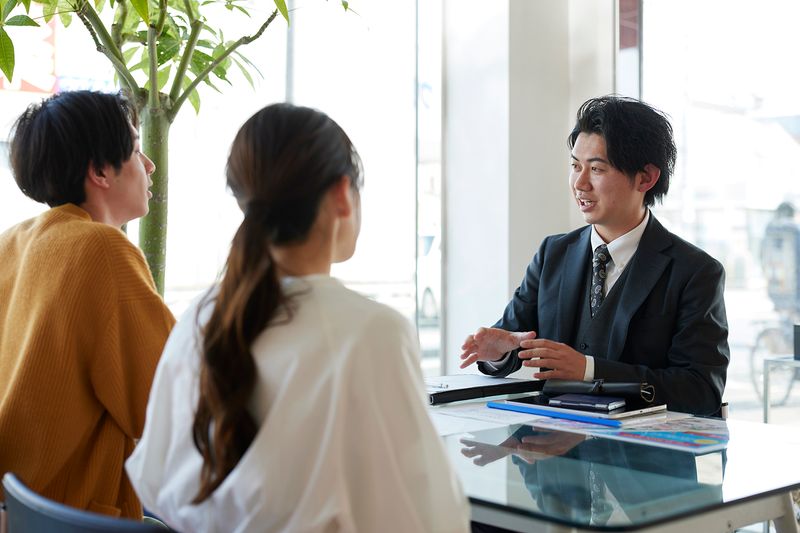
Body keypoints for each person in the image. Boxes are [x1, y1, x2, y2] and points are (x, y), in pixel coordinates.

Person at [125, 103, 470, 533]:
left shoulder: (201, 315)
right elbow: (428, 521)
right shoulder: (370, 332)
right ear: (342, 194)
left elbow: (156, 481)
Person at [460, 96, 729, 416]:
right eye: (575, 166)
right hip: (554, 455)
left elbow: (700, 389)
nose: (579, 183)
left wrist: (589, 369)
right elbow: (516, 339)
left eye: (597, 169)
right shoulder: (552, 254)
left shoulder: (695, 272)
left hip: (644, 458)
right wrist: (499, 353)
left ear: (646, 178)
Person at [0, 91, 176, 519]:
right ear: (99, 171)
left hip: (25, 510)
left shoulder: (13, 241)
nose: (149, 165)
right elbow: (171, 406)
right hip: (81, 515)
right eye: (136, 150)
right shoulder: (103, 250)